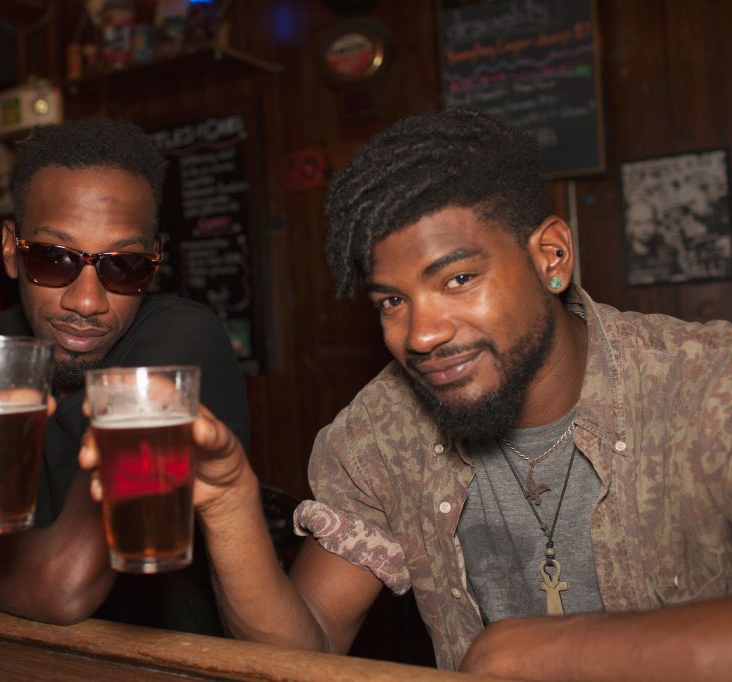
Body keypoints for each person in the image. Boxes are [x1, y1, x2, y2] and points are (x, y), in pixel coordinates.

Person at [82, 109, 732, 678]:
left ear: (552, 257)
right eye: (392, 300)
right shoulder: (381, 432)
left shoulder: (707, 386)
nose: (420, 334)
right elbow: (304, 645)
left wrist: (528, 652)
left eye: (457, 279)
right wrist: (229, 506)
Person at [0, 117, 250, 636]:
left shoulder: (178, 345)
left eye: (123, 266)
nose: (86, 301)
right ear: (10, 251)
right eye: (53, 258)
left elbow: (64, 585)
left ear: (153, 266)